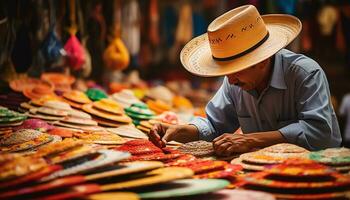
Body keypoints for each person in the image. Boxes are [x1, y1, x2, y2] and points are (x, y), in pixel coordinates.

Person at [149, 5, 342, 156]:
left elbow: (320, 134)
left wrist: (251, 140)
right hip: (261, 173)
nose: (230, 80)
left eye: (236, 70)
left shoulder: (305, 74)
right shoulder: (234, 82)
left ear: (262, 60)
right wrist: (180, 129)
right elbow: (216, 126)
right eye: (226, 71)